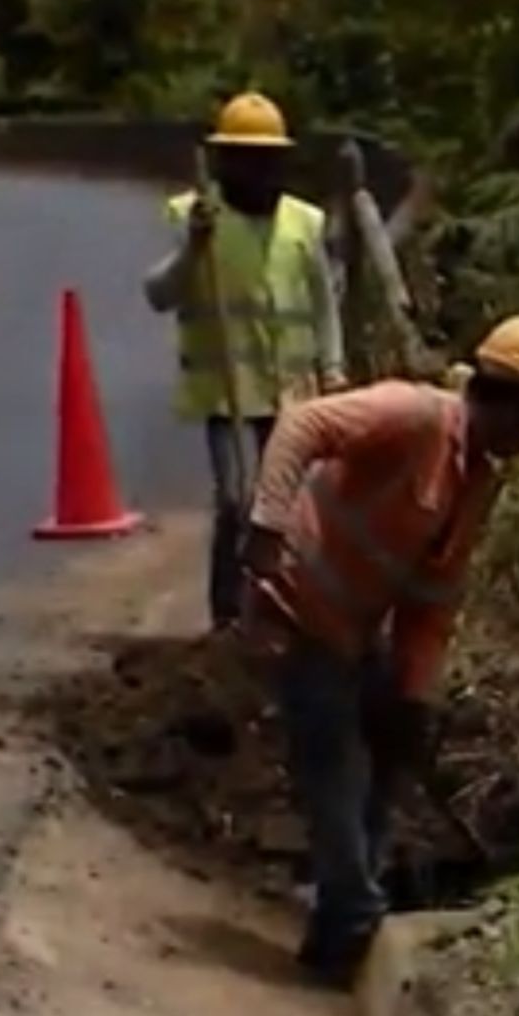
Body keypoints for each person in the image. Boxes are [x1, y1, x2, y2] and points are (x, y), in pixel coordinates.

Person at [237, 313, 519, 984]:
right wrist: (267, 524)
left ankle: (338, 928)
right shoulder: (414, 415)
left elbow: (433, 598)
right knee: (335, 762)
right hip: (296, 607)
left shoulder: (474, 480)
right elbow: (302, 425)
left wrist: (415, 694)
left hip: (352, 634)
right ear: (504, 396)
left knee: (383, 759)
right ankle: (358, 913)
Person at [144, 90, 347, 633]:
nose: (258, 170)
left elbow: (324, 304)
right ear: (223, 161)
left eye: (267, 160)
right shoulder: (196, 218)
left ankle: (282, 611)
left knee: (287, 510)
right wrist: (194, 247)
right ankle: (228, 616)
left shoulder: (304, 223)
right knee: (237, 501)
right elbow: (159, 294)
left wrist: (334, 370)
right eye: (245, 158)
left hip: (294, 392)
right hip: (228, 391)